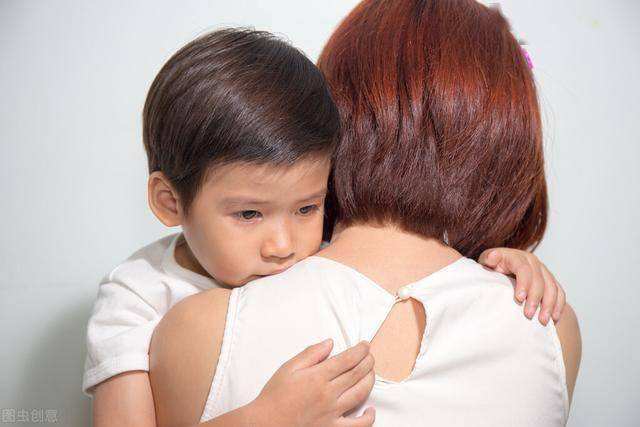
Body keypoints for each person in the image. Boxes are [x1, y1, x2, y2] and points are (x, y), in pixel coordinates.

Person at [87, 25, 567, 427]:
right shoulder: (136, 298)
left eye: (307, 208)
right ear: (170, 202)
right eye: (249, 214)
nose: (283, 245)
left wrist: (503, 259)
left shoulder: (318, 252)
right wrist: (267, 417)